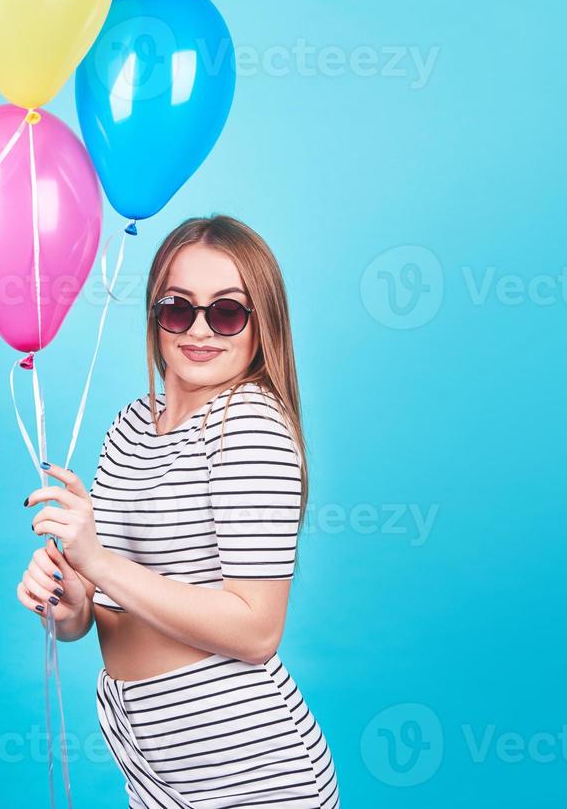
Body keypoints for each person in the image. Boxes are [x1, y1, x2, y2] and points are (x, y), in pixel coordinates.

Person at [18, 214, 340, 808]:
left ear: (259, 323)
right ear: (154, 315)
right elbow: (90, 610)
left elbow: (257, 630)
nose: (200, 330)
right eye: (178, 308)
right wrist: (65, 602)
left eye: (226, 311)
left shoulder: (249, 428)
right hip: (153, 763)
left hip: (251, 774)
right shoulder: (131, 425)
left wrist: (97, 562)